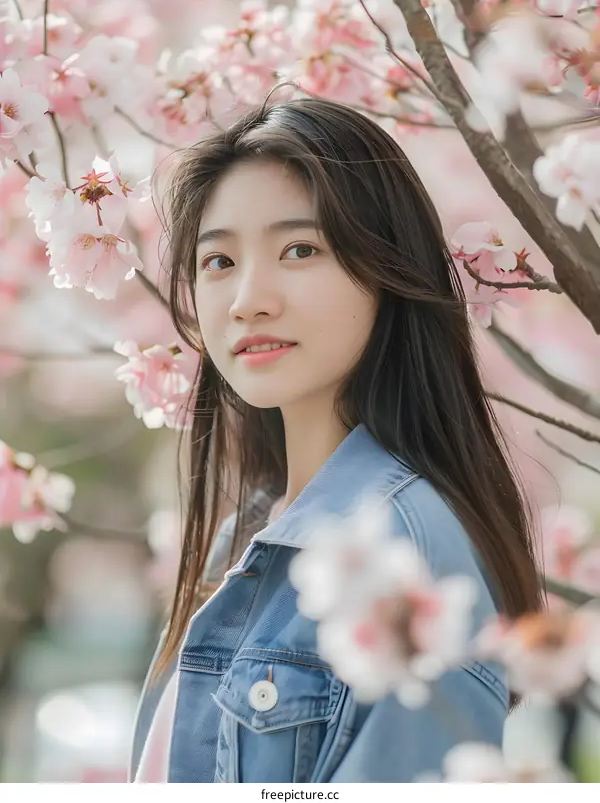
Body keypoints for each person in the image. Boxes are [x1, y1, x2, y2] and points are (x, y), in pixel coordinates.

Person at [129, 95, 543, 783]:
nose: (248, 299)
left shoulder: (404, 550)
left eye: (300, 249)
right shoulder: (250, 533)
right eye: (219, 261)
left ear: (387, 271)